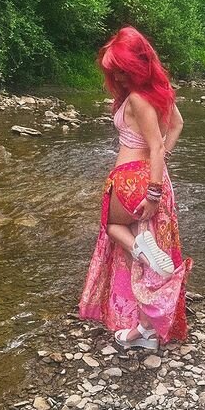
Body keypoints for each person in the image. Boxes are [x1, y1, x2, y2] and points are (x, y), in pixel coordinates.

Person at [78, 26, 192, 351]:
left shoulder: (138, 99)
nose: (118, 77)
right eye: (116, 72)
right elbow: (177, 126)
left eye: (122, 71)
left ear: (136, 66)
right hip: (154, 174)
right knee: (153, 253)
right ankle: (146, 330)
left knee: (114, 227)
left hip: (131, 177)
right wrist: (161, 167)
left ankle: (139, 248)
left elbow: (153, 145)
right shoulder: (161, 92)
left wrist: (152, 194)